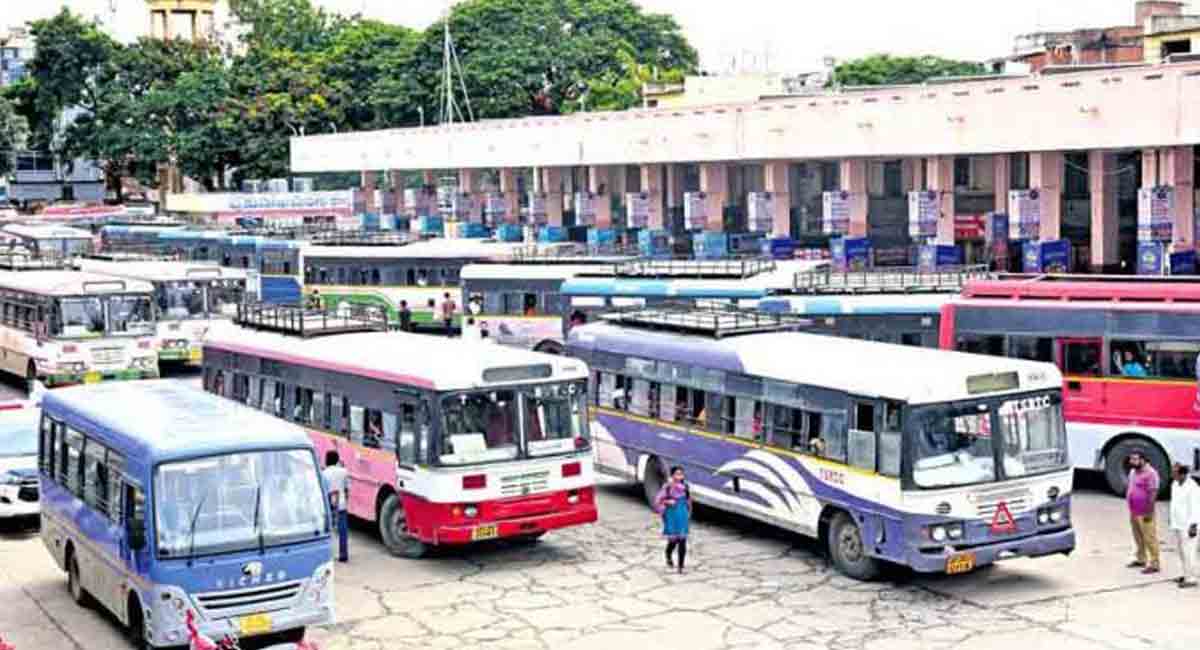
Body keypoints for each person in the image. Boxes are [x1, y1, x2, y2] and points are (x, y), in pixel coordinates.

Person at [1127, 451, 1161, 574]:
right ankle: (1141, 558)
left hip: (1145, 512)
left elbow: (1153, 494)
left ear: (1143, 460)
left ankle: (1155, 563)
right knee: (1138, 537)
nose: (1132, 462)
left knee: (1150, 538)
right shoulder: (1132, 472)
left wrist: (1149, 512)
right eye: (1131, 459)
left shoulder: (1151, 474)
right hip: (1134, 511)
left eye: (1135, 459)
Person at [654, 466, 693, 574]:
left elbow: (689, 500)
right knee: (673, 540)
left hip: (682, 514)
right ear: (672, 475)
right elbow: (658, 500)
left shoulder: (686, 486)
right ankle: (668, 554)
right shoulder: (667, 487)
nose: (679, 476)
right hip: (671, 514)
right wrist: (668, 502)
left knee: (683, 539)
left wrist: (689, 513)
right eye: (677, 474)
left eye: (681, 474)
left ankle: (680, 566)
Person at [1170, 463, 1200, 588]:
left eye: (1174, 472)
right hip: (1178, 523)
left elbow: (1196, 508)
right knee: (1181, 552)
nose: (1172, 474)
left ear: (1182, 474)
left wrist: (1193, 525)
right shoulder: (1175, 484)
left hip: (1189, 525)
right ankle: (1185, 574)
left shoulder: (1193, 487)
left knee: (1189, 552)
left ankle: (1191, 578)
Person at [322, 450, 350, 563]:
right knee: (342, 531)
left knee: (327, 530)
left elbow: (323, 489)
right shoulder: (344, 472)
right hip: (341, 504)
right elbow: (347, 488)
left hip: (328, 505)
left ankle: (327, 555)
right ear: (337, 460)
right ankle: (343, 554)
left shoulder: (324, 473)